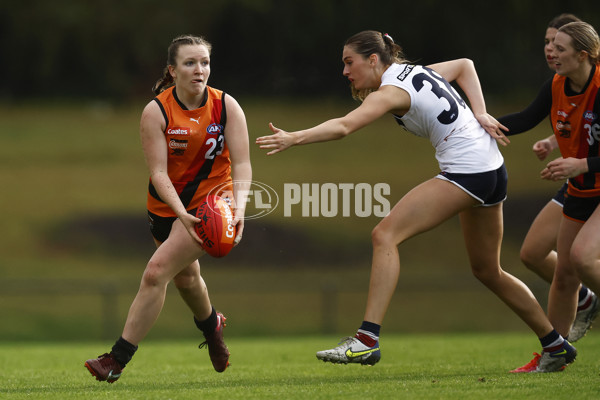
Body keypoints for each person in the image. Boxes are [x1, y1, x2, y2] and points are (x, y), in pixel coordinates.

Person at [256, 30, 575, 372]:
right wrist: (479, 112)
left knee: (385, 235)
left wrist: (294, 137)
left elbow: (344, 126)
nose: (346, 72)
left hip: (468, 171)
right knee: (487, 270)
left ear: (374, 60)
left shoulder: (391, 91)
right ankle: (555, 345)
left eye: (350, 62)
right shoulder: (417, 71)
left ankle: (366, 341)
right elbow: (465, 66)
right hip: (492, 168)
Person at [84, 35, 252, 383]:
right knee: (187, 279)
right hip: (166, 207)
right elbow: (158, 173)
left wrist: (238, 209)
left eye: (204, 62)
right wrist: (179, 214)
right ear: (172, 70)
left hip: (211, 203)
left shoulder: (226, 106)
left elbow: (244, 164)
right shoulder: (157, 110)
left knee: (156, 272)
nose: (199, 70)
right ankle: (212, 327)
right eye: (190, 63)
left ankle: (116, 359)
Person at [496, 21, 600, 371]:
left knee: (583, 258)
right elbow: (525, 119)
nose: (550, 51)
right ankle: (556, 353)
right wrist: (471, 123)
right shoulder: (556, 85)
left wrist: (580, 163)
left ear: (582, 55)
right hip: (582, 188)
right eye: (549, 44)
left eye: (559, 47)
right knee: (565, 274)